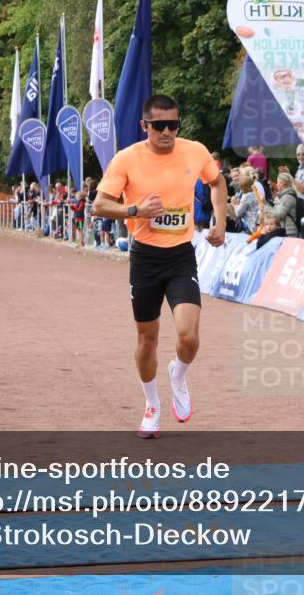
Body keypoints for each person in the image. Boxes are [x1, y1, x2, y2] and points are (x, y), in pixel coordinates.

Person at [92, 94, 227, 438]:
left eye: (173, 125)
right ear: (145, 126)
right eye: (159, 125)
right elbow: (100, 205)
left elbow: (217, 182)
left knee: (189, 336)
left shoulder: (195, 151)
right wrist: (135, 211)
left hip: (181, 255)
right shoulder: (126, 159)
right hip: (145, 259)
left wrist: (220, 221)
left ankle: (178, 375)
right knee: (147, 338)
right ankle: (152, 405)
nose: (167, 132)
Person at [231, 165, 264, 234]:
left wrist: (235, 205)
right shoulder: (255, 192)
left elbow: (238, 213)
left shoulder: (246, 196)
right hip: (258, 221)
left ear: (242, 186)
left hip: (251, 225)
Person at [272, 173, 300, 237]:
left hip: (290, 233)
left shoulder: (288, 197)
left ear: (282, 183)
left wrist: (276, 202)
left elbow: (279, 215)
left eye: (277, 182)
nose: (277, 184)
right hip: (285, 231)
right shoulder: (283, 196)